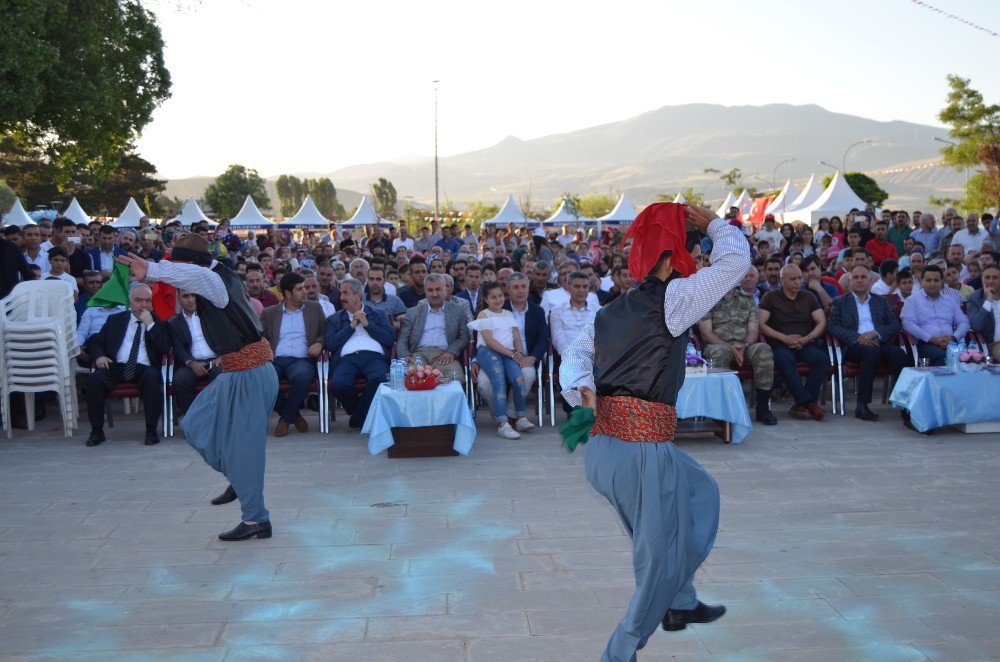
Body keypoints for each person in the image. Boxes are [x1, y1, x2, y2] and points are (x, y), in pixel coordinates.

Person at [559, 203, 748, 661]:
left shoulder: (607, 312)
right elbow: (737, 262)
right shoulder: (676, 298)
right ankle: (620, 651)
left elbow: (574, 360)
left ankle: (680, 603)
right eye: (694, 252)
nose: (700, 261)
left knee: (699, 492)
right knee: (657, 556)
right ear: (673, 256)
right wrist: (716, 225)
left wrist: (582, 391)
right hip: (640, 450)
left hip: (607, 452)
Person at [121, 233, 280, 541]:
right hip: (238, 371)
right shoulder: (217, 275)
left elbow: (192, 274)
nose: (180, 275)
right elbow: (192, 272)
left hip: (250, 372)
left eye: (180, 264)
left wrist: (152, 270)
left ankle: (256, 519)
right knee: (194, 424)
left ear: (192, 264)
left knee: (244, 450)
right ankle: (239, 477)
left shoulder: (213, 280)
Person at [85, 283, 171, 447]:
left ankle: (151, 430)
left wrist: (150, 325)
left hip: (144, 368)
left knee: (153, 378)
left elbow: (166, 348)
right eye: (138, 301)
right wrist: (99, 356)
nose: (143, 305)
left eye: (147, 301)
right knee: (94, 380)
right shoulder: (115, 320)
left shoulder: (159, 322)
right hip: (116, 366)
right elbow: (96, 342)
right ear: (130, 302)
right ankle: (97, 431)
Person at [698, 266, 777, 425]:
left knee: (763, 350)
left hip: (745, 347)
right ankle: (720, 410)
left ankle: (762, 407)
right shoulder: (708, 299)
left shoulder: (747, 299)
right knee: (719, 353)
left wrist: (745, 345)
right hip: (718, 345)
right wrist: (730, 347)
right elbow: (706, 333)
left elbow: (754, 329)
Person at [828, 265, 907, 421]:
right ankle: (862, 406)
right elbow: (832, 326)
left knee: (899, 354)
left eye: (863, 277)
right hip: (853, 345)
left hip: (878, 341)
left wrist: (875, 334)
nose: (859, 280)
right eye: (855, 277)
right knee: (870, 354)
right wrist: (858, 338)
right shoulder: (840, 302)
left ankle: (904, 404)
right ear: (850, 281)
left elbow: (894, 325)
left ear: (870, 280)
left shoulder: (881, 301)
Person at [758, 265, 830, 421]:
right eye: (793, 279)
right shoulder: (770, 297)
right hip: (780, 343)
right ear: (782, 280)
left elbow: (821, 321)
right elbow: (761, 324)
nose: (798, 282)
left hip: (805, 343)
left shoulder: (808, 296)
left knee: (822, 360)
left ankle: (802, 403)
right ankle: (810, 404)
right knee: (785, 360)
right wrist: (784, 338)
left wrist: (807, 338)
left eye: (799, 278)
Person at [261, 273, 326, 437]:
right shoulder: (270, 313)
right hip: (276, 359)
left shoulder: (314, 308)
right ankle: (293, 415)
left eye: (304, 287)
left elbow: (325, 332)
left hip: (302, 360)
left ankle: (285, 420)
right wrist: (266, 348)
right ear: (287, 293)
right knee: (262, 378)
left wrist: (319, 343)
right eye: (299, 289)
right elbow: (260, 337)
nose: (304, 291)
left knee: (302, 377)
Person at [325, 278, 396, 430]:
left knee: (382, 378)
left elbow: (390, 338)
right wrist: (350, 326)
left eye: (346, 293)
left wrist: (368, 325)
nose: (342, 297)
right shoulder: (334, 319)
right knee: (338, 384)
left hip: (374, 356)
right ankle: (361, 414)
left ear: (358, 295)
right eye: (341, 293)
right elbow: (331, 343)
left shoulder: (378, 314)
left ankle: (358, 417)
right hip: (347, 359)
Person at [468, 281, 535, 439]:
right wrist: (511, 354)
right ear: (486, 299)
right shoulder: (484, 315)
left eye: (500, 296)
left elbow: (516, 336)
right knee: (498, 381)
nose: (497, 300)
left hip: (508, 352)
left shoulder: (508, 314)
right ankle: (502, 423)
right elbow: (489, 341)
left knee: (519, 379)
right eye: (493, 297)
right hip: (488, 352)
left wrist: (518, 352)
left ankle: (520, 417)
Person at [397, 273, 470, 382]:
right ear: (425, 292)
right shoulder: (413, 312)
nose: (434, 294)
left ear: (445, 289)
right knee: (411, 378)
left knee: (456, 379)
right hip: (418, 355)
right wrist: (405, 355)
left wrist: (451, 351)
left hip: (444, 355)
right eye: (430, 290)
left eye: (438, 289)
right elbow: (403, 338)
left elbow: (464, 336)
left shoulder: (458, 311)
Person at [900, 265, 970, 366]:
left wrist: (954, 337)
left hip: (952, 343)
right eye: (928, 280)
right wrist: (932, 339)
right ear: (922, 281)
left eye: (936, 280)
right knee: (943, 356)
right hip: (925, 344)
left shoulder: (950, 301)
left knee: (971, 357)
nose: (932, 283)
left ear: (942, 281)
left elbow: (963, 322)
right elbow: (908, 324)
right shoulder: (912, 301)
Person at [168, 289, 221, 416]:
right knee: (180, 380)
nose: (191, 299)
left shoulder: (213, 316)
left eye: (194, 295)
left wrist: (221, 356)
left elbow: (225, 338)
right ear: (179, 298)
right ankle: (193, 421)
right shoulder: (173, 322)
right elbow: (178, 348)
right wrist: (191, 363)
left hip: (216, 360)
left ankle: (218, 417)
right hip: (191, 363)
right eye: (186, 296)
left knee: (220, 375)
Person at [550, 271, 600, 356]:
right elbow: (558, 338)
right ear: (568, 288)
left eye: (585, 286)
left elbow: (601, 337)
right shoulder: (557, 311)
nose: (581, 290)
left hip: (595, 358)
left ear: (589, 288)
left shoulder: (598, 311)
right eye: (577, 286)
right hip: (569, 358)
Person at [964, 264, 1000, 361]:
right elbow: (976, 326)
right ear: (982, 280)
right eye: (987, 278)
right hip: (994, 344)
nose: (991, 281)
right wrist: (988, 301)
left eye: (995, 278)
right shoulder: (975, 298)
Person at [362, 265, 407, 331]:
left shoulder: (395, 300)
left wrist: (386, 323)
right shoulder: (359, 299)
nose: (375, 283)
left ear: (384, 281)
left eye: (378, 279)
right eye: (371, 279)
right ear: (367, 280)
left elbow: (405, 324)